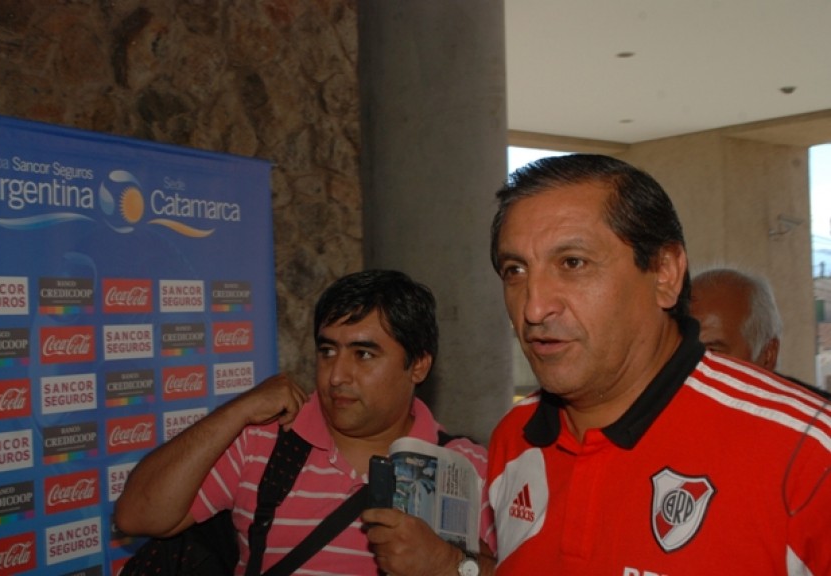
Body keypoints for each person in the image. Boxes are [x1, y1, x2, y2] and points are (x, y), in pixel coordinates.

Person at [485, 153, 831, 574]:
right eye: (515, 270)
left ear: (665, 274)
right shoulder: (513, 437)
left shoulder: (806, 452)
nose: (534, 307)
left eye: (573, 263)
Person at [115, 269, 496, 576]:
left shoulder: (467, 469)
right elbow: (136, 516)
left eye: (363, 354)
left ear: (418, 366)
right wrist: (237, 411)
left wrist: (448, 565)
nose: (336, 376)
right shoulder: (264, 443)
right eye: (327, 351)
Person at [690, 266, 831, 397]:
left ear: (768, 355)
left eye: (713, 352)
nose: (692, 368)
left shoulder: (811, 414)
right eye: (682, 351)